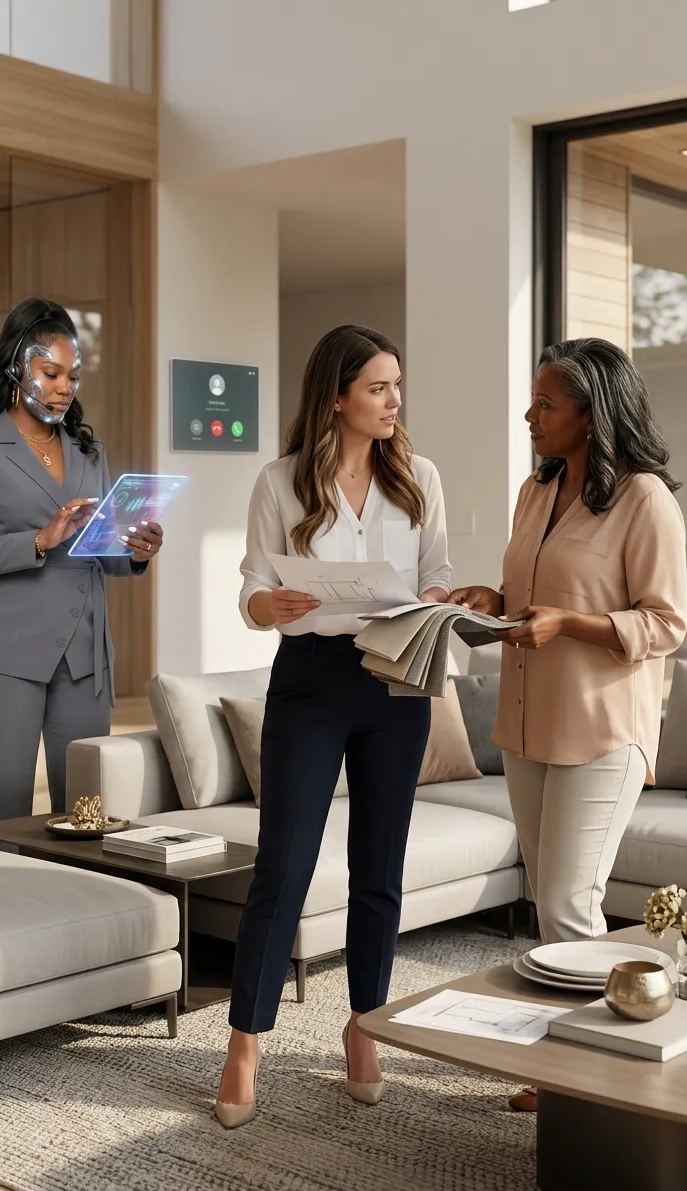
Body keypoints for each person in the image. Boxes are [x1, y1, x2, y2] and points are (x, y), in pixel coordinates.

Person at [214, 325, 452, 1129]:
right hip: (309, 681)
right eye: (378, 387)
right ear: (338, 396)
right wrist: (268, 604)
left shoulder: (419, 478)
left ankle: (364, 1027)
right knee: (282, 867)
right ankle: (244, 1042)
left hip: (396, 680)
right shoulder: (279, 481)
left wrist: (435, 604)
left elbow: (437, 575)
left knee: (378, 870)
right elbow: (250, 589)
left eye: (396, 386)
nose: (394, 401)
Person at [449, 337, 687, 1112]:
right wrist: (492, 599)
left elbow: (666, 623)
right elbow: (531, 594)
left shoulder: (645, 499)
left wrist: (570, 625)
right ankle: (572, 1061)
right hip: (527, 724)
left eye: (545, 404)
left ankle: (582, 1083)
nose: (530, 415)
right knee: (547, 901)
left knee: (567, 903)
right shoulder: (536, 489)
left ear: (591, 415)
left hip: (601, 729)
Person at [0, 297, 163, 826]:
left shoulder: (90, 451)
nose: (65, 387)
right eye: (51, 373)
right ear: (17, 368)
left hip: (85, 659)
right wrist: (39, 540)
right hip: (6, 655)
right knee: (4, 814)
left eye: (73, 377)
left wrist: (135, 551)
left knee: (86, 815)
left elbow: (100, 552)